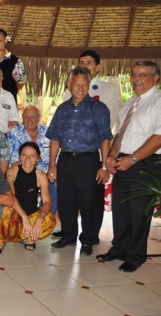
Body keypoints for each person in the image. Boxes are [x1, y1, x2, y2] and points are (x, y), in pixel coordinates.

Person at [100, 61, 161, 272]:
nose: (136, 79)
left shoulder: (159, 101)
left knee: (138, 212)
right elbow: (122, 132)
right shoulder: (131, 102)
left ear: (155, 78)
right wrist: (112, 155)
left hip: (145, 163)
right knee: (121, 210)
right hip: (124, 159)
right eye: (134, 75)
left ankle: (136, 256)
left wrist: (133, 159)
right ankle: (119, 248)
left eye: (143, 75)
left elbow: (159, 137)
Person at [46, 67, 112, 256]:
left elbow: (105, 138)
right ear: (69, 85)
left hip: (88, 161)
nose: (81, 88)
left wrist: (104, 166)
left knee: (89, 203)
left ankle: (89, 239)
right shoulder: (62, 109)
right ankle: (68, 235)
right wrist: (53, 163)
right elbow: (55, 138)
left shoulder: (98, 108)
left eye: (85, 84)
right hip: (65, 160)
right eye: (77, 84)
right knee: (66, 201)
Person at [0, 142, 56, 253]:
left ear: (38, 158)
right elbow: (11, 198)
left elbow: (47, 203)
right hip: (14, 215)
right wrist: (23, 216)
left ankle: (29, 237)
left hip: (31, 216)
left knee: (50, 218)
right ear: (19, 156)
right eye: (24, 155)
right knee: (6, 208)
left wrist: (40, 219)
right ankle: (2, 239)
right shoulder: (11, 171)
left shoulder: (41, 176)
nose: (27, 158)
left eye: (32, 155)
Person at [8, 106, 57, 215]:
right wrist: (24, 179)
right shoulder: (16, 132)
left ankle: (41, 217)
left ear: (39, 118)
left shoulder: (47, 131)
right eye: (26, 117)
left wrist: (55, 173)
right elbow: (14, 159)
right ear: (22, 118)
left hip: (46, 174)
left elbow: (55, 157)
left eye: (33, 117)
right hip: (24, 174)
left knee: (56, 188)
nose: (29, 120)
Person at [62, 49, 122, 131]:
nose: (84, 66)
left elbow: (109, 120)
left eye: (88, 63)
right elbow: (64, 116)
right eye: (81, 63)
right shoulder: (70, 89)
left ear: (98, 67)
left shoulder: (109, 89)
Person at [0, 29, 25, 101]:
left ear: (5, 41)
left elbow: (20, 82)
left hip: (7, 102)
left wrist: (8, 93)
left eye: (0, 40)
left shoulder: (14, 61)